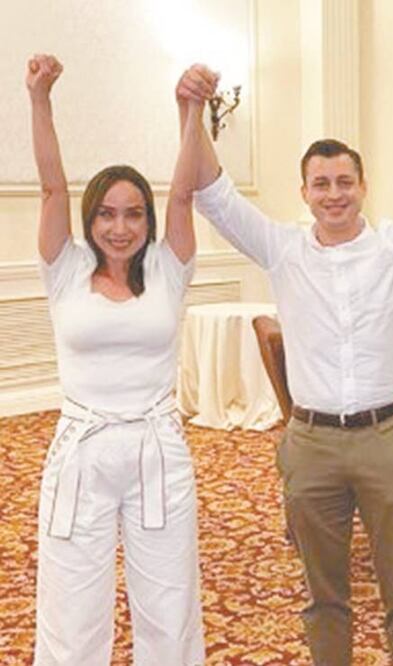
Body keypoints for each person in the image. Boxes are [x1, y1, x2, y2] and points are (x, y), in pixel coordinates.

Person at [176, 61, 393, 665]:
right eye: (321, 183)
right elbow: (213, 194)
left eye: (344, 181)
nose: (334, 194)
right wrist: (193, 112)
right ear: (304, 192)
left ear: (363, 186)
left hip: (386, 438)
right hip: (310, 444)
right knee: (323, 595)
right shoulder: (282, 250)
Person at [29, 54, 205, 664]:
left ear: (148, 220)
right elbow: (52, 185)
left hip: (158, 451)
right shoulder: (65, 268)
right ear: (90, 219)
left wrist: (191, 112)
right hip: (81, 453)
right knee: (71, 607)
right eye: (106, 213)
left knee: (169, 604)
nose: (120, 227)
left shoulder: (168, 268)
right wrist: (40, 99)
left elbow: (184, 192)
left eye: (133, 213)